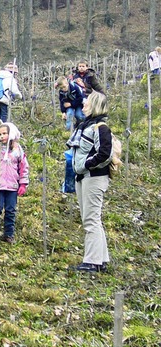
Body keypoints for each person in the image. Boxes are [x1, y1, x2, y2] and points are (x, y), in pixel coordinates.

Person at [66, 91, 112, 272]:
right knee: (92, 219)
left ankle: (91, 261)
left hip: (94, 177)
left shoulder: (101, 127)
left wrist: (86, 164)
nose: (83, 106)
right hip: (83, 177)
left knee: (91, 220)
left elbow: (104, 154)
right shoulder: (85, 126)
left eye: (86, 103)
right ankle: (101, 259)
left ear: (94, 105)